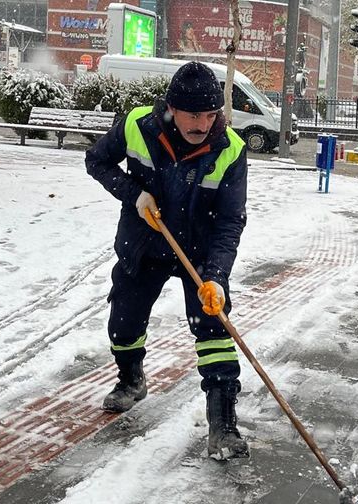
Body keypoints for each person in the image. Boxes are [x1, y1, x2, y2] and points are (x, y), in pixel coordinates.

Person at [85, 61, 249, 460]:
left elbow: (230, 221)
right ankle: (130, 379)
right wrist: (133, 194)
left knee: (214, 326)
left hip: (201, 252)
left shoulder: (230, 149)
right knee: (123, 324)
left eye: (210, 115)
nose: (202, 124)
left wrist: (216, 278)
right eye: (193, 115)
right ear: (171, 108)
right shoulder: (137, 127)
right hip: (145, 243)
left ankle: (223, 424)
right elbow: (97, 161)